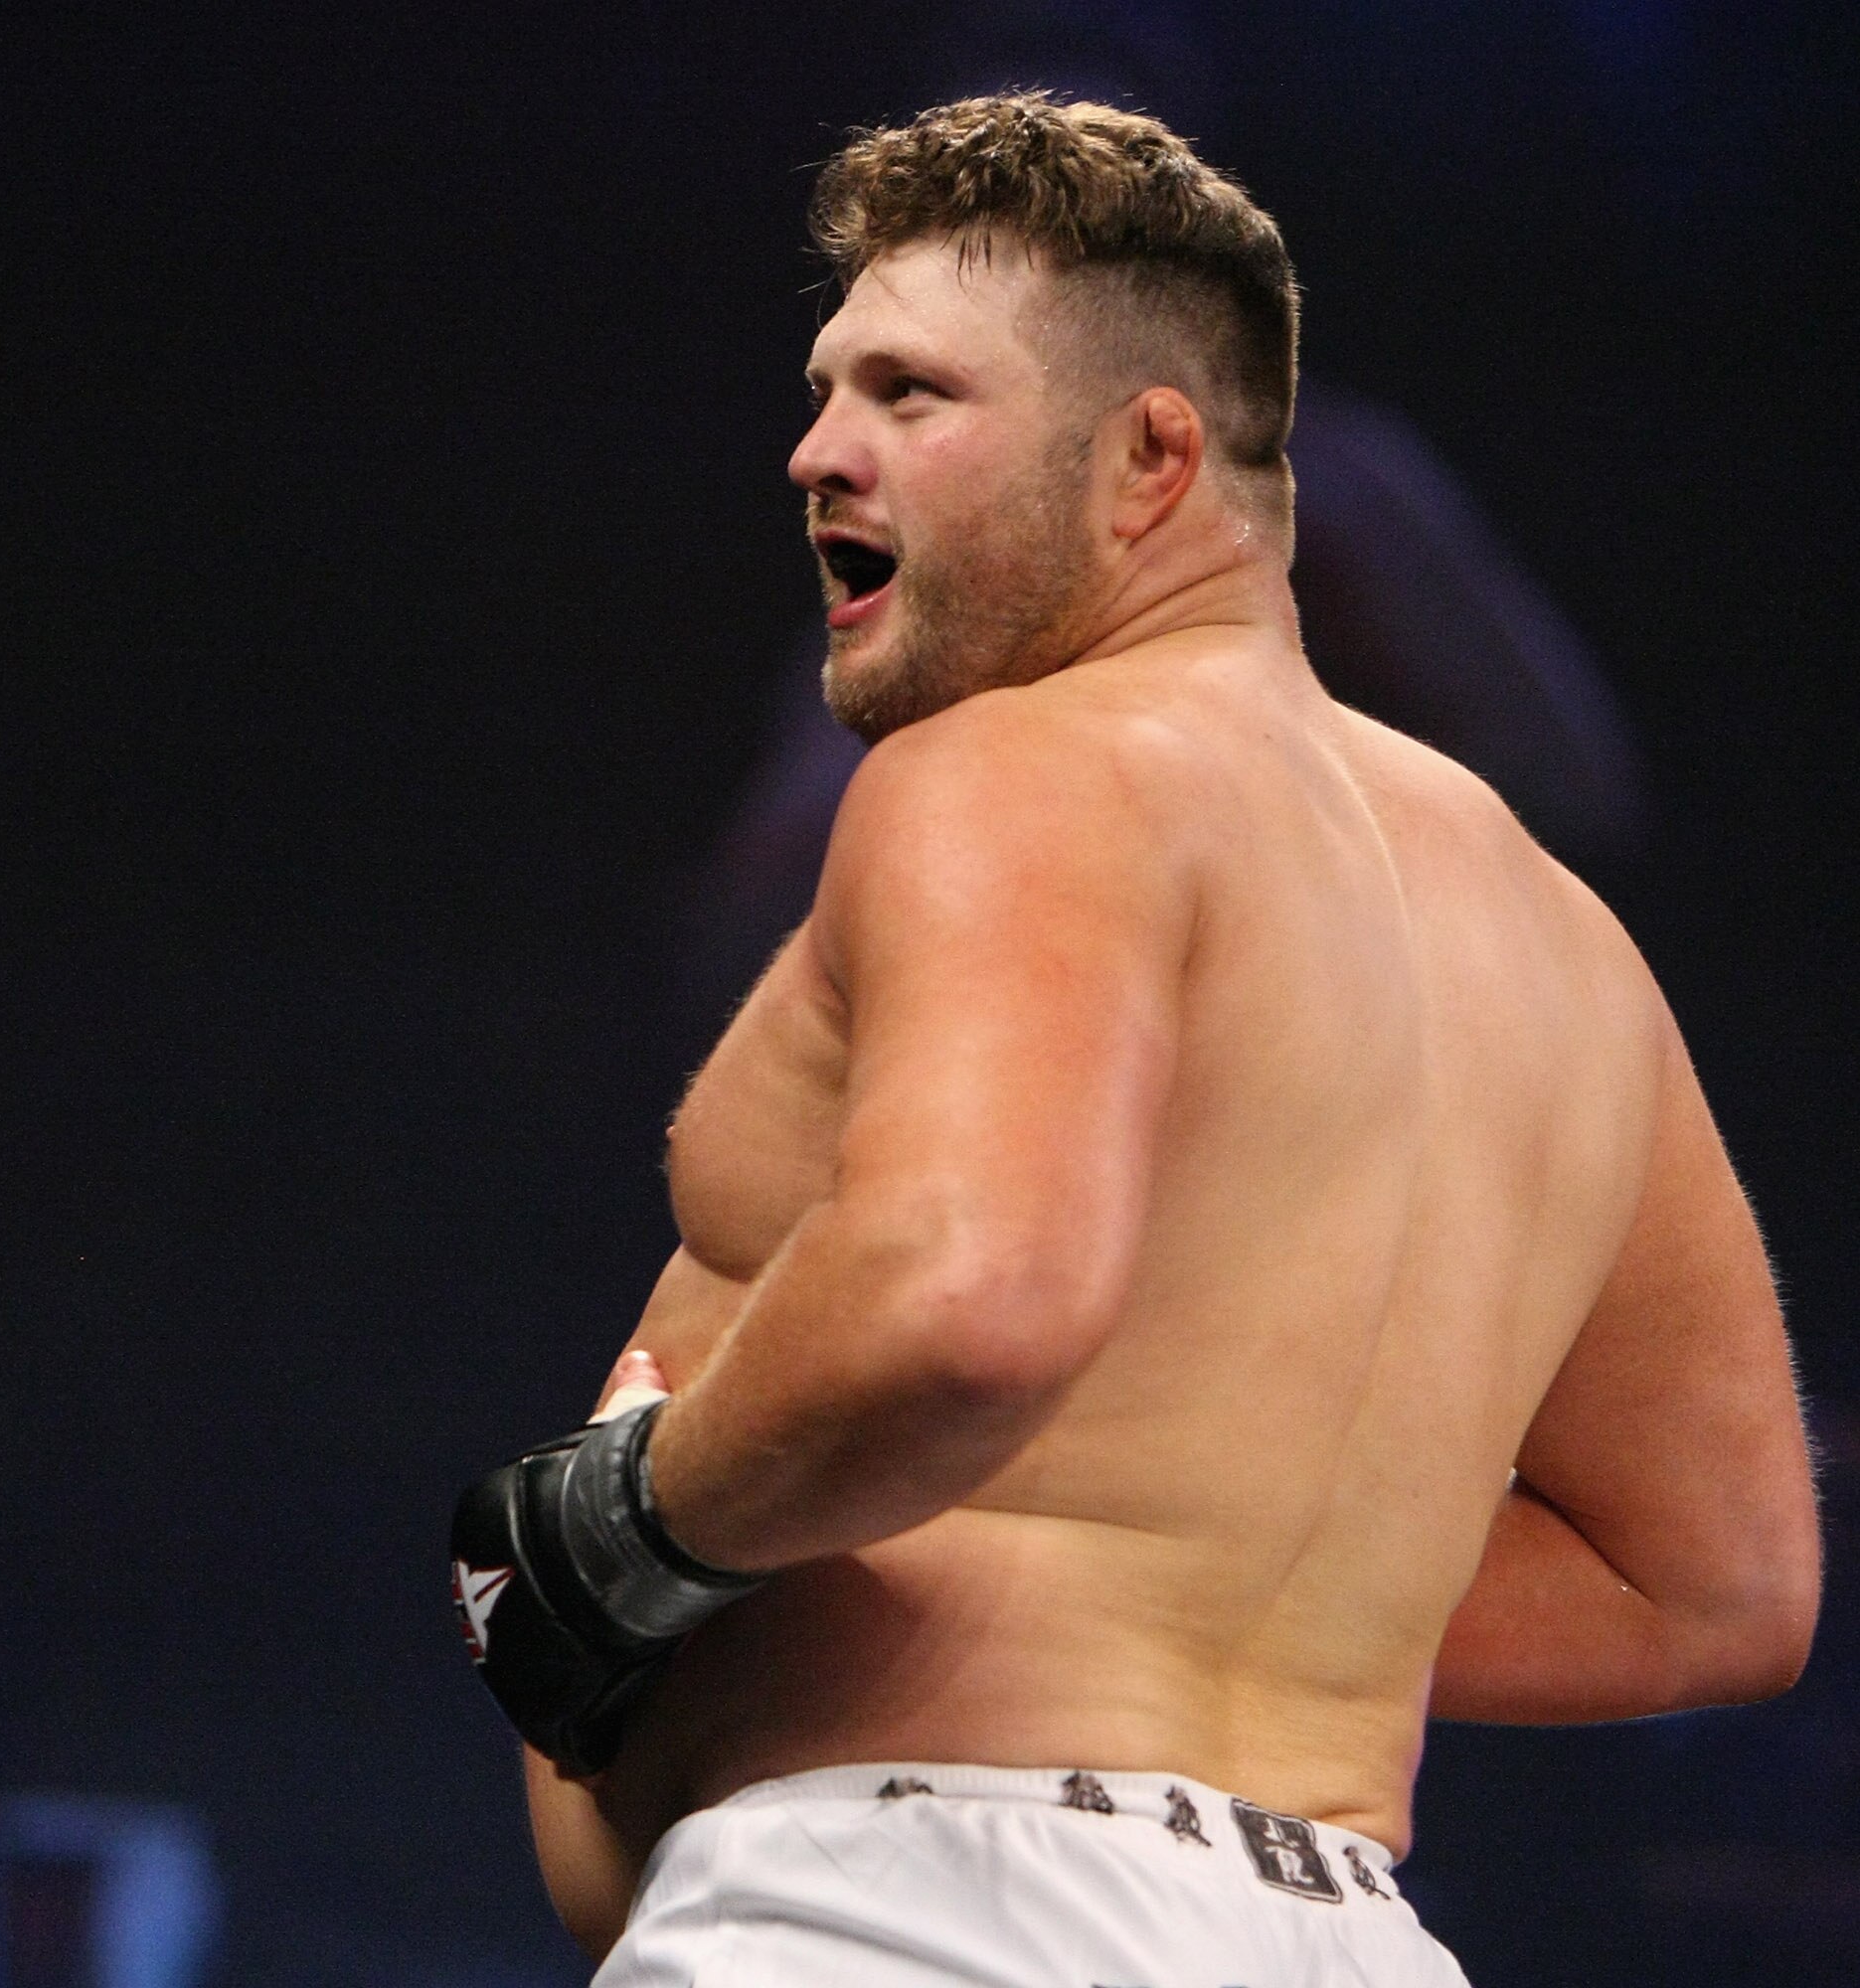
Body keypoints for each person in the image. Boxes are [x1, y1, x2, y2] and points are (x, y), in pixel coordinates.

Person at [447, 95, 1818, 1986]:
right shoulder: (1572, 952)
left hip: (918, 1915)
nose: (814, 452)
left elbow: (972, 1296)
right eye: (826, 388)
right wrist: (1206, 1574)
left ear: (1148, 457)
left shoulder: (1022, 763)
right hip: (1337, 1930)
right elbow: (1716, 1587)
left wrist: (616, 1531)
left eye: (910, 394)